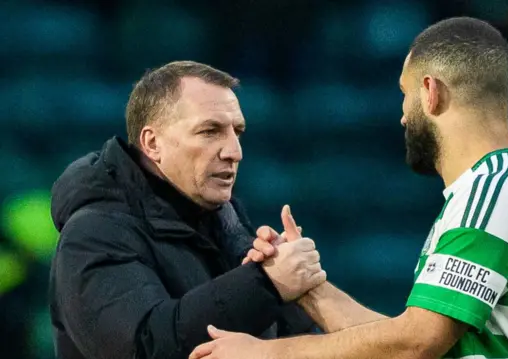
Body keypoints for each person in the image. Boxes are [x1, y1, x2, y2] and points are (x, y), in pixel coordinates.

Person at [189, 17, 508, 359]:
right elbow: (408, 341)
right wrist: (307, 286)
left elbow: (414, 346)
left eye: (404, 94)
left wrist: (266, 353)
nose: (400, 116)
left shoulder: (490, 200)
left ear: (431, 92)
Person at [48, 61, 326, 359]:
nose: (234, 152)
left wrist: (293, 294)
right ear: (152, 143)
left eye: (238, 132)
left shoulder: (225, 219)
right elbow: (144, 346)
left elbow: (279, 343)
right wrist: (267, 284)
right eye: (210, 131)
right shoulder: (94, 233)